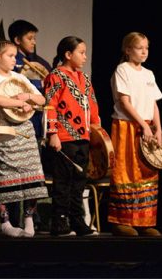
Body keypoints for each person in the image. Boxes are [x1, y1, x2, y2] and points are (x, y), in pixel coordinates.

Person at [0, 40, 49, 237]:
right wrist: (17, 102)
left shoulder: (18, 78)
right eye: (10, 56)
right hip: (4, 130)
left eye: (15, 56)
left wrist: (28, 98)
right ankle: (5, 222)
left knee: (32, 173)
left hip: (25, 130)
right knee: (5, 175)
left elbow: (41, 99)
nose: (15, 60)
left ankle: (29, 219)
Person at [108, 32, 162, 236]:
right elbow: (124, 102)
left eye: (146, 47)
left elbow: (153, 103)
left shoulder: (149, 74)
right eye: (139, 47)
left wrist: (158, 128)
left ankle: (144, 221)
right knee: (126, 171)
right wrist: (143, 125)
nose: (144, 51)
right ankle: (122, 221)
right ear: (127, 50)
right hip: (127, 125)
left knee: (147, 171)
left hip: (147, 126)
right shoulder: (122, 70)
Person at [44, 36, 100, 236]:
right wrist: (53, 133)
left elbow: (92, 104)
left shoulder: (84, 78)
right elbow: (50, 105)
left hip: (82, 137)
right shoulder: (56, 76)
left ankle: (77, 220)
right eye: (81, 52)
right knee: (63, 181)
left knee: (79, 181)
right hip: (64, 136)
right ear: (68, 55)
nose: (85, 56)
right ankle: (59, 222)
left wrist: (96, 126)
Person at [8, 19, 52, 230]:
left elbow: (48, 96)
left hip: (34, 126)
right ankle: (14, 218)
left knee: (33, 173)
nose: (33, 42)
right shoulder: (9, 63)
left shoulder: (39, 64)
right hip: (14, 124)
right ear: (17, 40)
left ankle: (32, 217)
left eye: (35, 38)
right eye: (29, 38)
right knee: (15, 173)